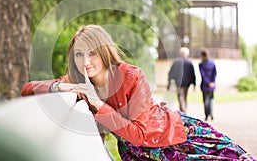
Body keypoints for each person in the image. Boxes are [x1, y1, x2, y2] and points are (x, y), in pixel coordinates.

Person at [21, 25, 255, 160]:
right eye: (79, 54)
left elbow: (139, 133)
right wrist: (59, 86)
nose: (86, 61)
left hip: (174, 137)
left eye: (92, 53)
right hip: (139, 154)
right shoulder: (77, 80)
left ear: (104, 51)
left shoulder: (132, 76)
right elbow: (27, 89)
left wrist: (97, 103)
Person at [167, 47, 196, 113]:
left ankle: (183, 111)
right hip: (186, 83)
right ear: (187, 54)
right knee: (184, 97)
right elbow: (192, 74)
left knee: (181, 97)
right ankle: (184, 110)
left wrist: (169, 82)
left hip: (179, 83)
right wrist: (194, 83)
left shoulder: (176, 62)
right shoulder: (189, 62)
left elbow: (171, 73)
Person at [199, 49, 217, 121]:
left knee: (206, 101)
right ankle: (211, 113)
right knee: (211, 100)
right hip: (211, 85)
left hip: (205, 85)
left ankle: (207, 115)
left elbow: (203, 75)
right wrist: (212, 82)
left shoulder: (201, 64)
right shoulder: (212, 63)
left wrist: (208, 82)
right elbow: (214, 74)